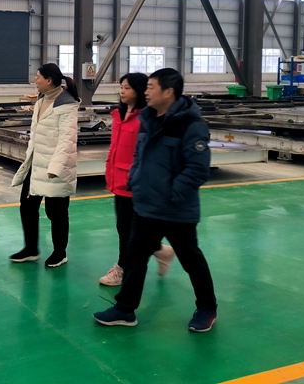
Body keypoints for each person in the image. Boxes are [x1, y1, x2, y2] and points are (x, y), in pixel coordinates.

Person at [93, 68, 218, 333]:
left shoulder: (191, 126)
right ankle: (125, 309)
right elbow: (139, 156)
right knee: (135, 256)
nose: (146, 92)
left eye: (151, 87)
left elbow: (198, 169)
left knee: (191, 259)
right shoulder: (148, 119)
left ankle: (207, 308)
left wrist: (172, 194)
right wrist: (136, 182)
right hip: (146, 204)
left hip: (176, 208)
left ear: (168, 92)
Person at [99, 73, 175, 287]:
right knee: (125, 228)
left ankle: (122, 269)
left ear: (140, 91)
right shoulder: (119, 115)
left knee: (127, 230)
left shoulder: (146, 118)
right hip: (118, 180)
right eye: (121, 87)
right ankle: (161, 251)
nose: (122, 91)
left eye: (128, 88)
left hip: (136, 182)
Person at [10, 63, 80, 268]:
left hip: (55, 168)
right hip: (36, 164)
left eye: (38, 77)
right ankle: (31, 249)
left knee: (56, 212)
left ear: (48, 80)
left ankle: (60, 253)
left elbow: (67, 140)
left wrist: (55, 168)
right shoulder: (41, 100)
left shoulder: (66, 105)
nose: (35, 80)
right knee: (27, 207)